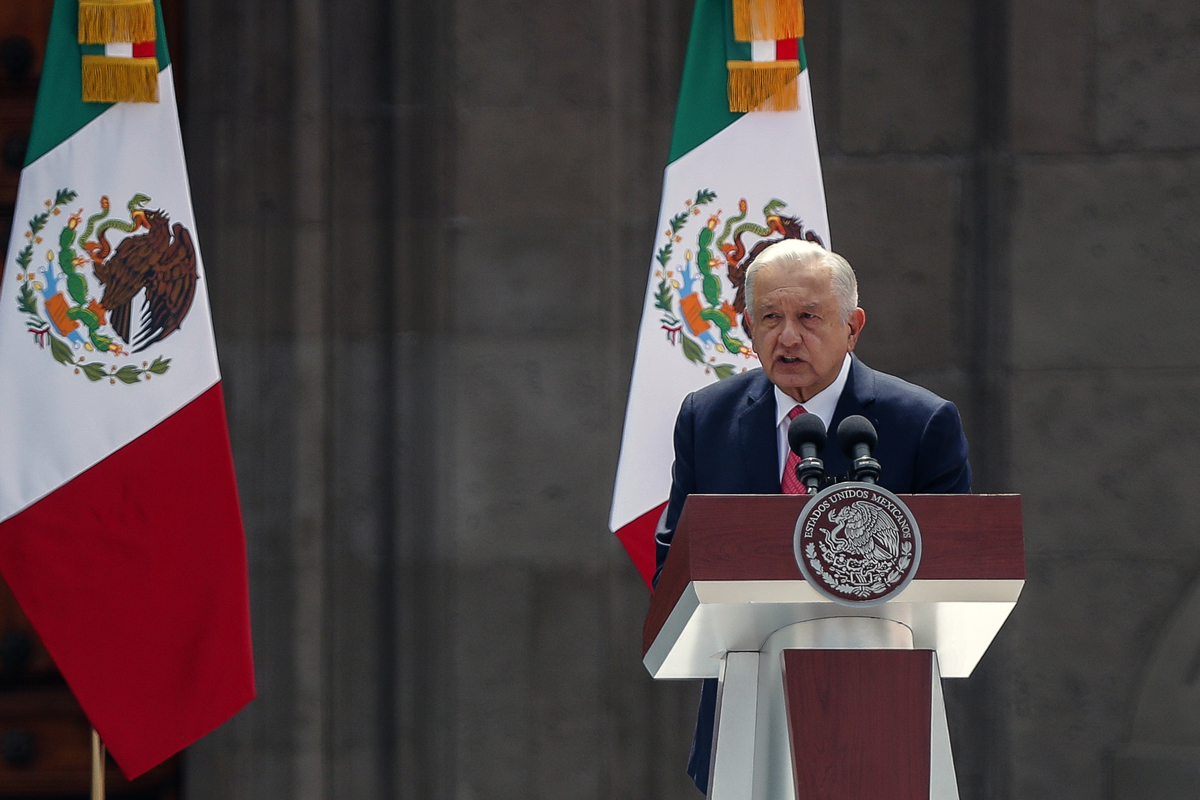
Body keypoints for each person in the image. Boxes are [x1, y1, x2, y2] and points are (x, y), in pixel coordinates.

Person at [653, 239, 971, 793]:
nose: (789, 336)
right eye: (770, 318)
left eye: (808, 317)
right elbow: (673, 565)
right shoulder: (707, 418)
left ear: (853, 327)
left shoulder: (920, 423)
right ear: (748, 327)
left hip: (880, 712)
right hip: (746, 709)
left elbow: (960, 571)